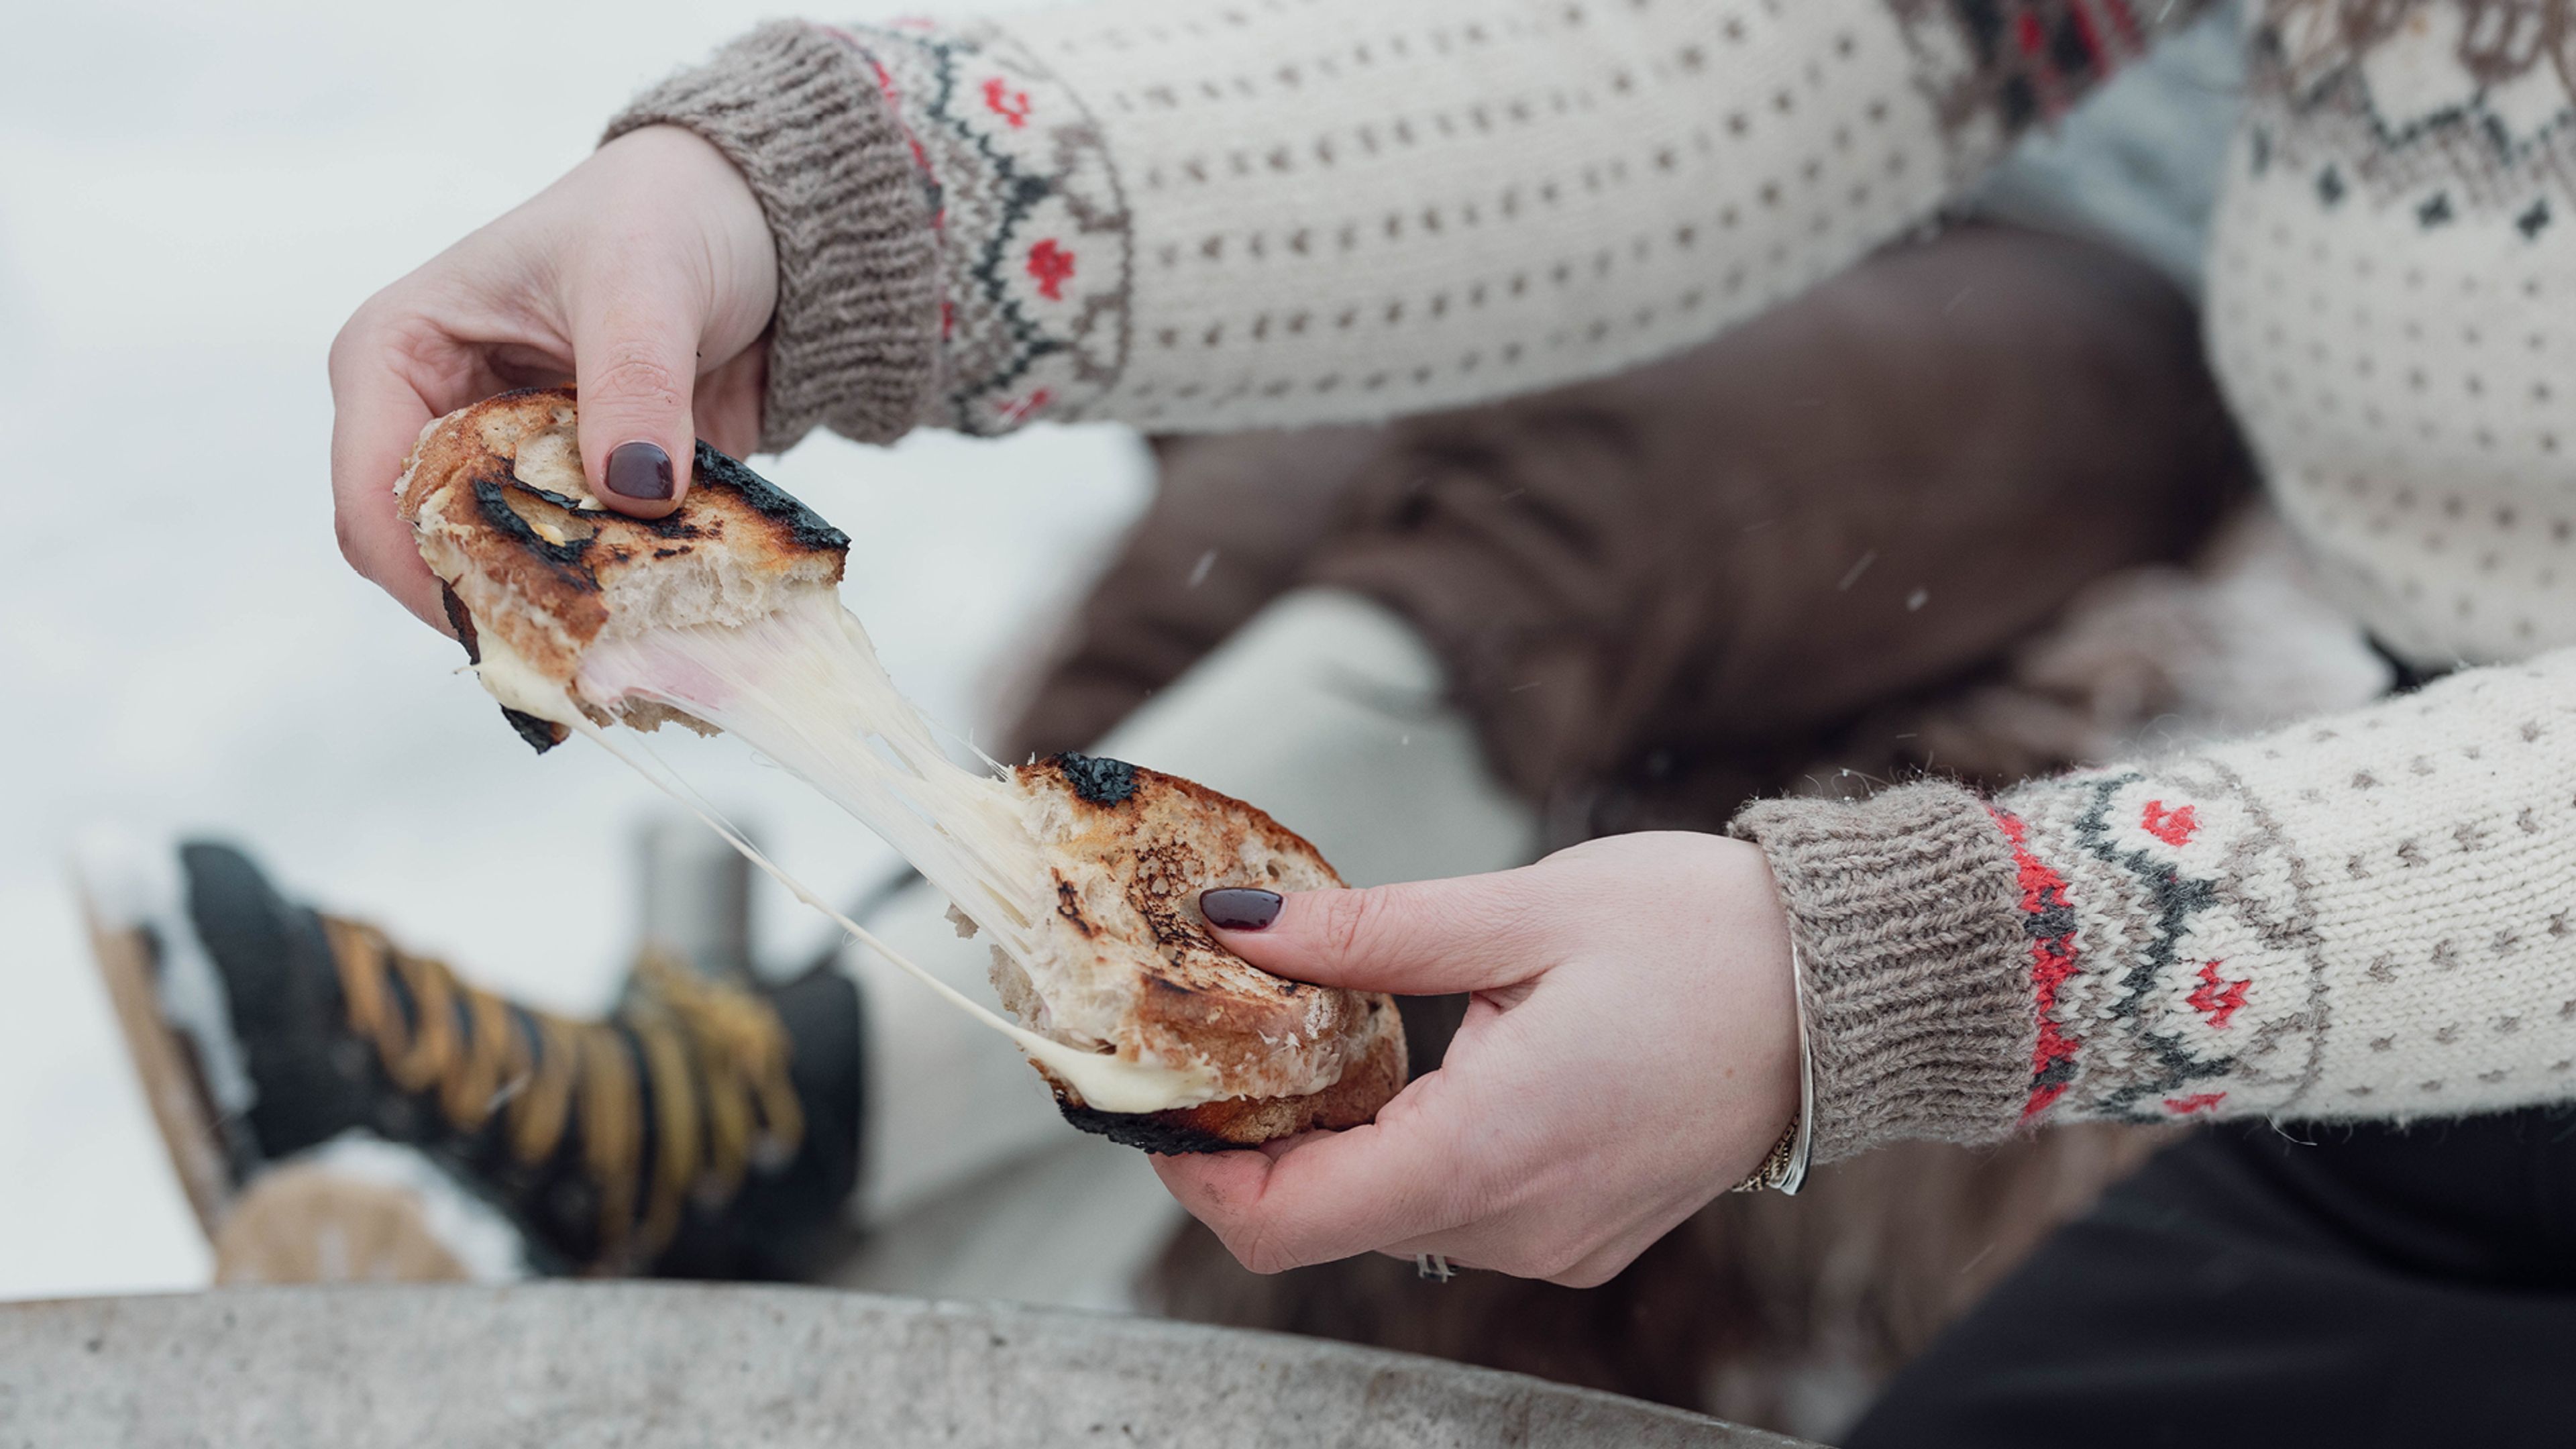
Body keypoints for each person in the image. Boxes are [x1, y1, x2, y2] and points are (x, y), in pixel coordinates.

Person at [320, 1, 2576, 1440]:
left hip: (2467, 940)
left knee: (1598, 508)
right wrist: (822, 210)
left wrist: (1902, 966)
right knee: (1261, 538)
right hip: (2444, 1169)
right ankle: (778, 1167)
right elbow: (1766, 70)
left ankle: (769, 1125)